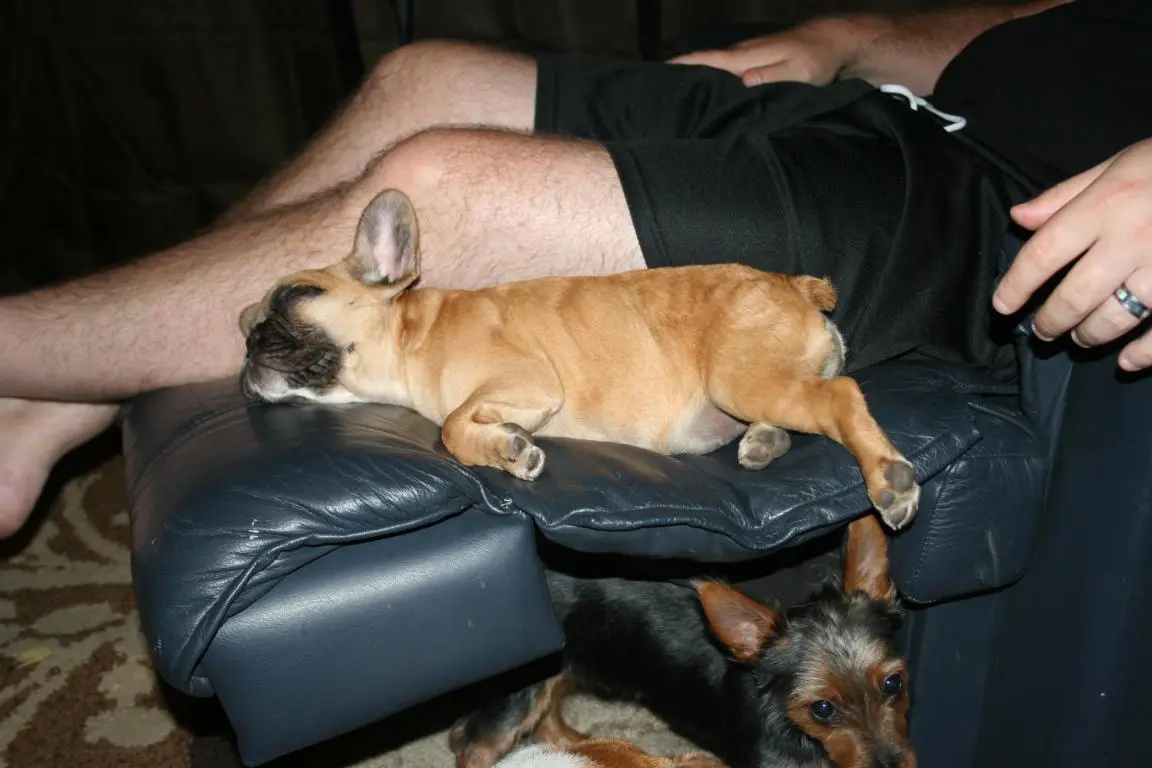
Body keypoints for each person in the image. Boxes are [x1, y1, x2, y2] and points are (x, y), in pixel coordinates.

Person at [1, 0, 1150, 538]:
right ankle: (70, 393)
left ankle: (28, 362)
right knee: (422, 79)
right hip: (884, 114)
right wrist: (854, 37)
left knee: (443, 184)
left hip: (992, 205)